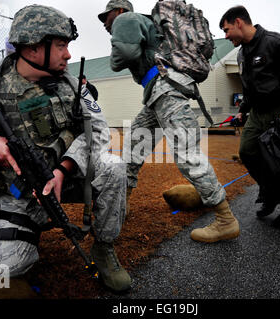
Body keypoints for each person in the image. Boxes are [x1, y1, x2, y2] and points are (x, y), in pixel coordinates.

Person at [0, 4, 131, 293]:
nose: (68, 54)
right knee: (9, 267)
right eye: (61, 46)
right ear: (32, 49)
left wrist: (62, 170)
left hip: (64, 181)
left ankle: (104, 250)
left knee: (113, 166)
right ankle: (26, 228)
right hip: (16, 191)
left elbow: (99, 130)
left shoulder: (72, 84)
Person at [98, 0, 240, 243]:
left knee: (187, 153)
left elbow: (121, 57)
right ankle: (123, 204)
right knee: (133, 146)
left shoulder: (126, 20)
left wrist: (117, 44)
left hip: (166, 90)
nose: (104, 23)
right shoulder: (146, 24)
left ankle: (225, 219)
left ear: (120, 11)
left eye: (107, 17)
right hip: (157, 94)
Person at [219, 6, 280, 227]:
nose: (226, 36)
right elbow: (249, 87)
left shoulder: (277, 43)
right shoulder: (242, 53)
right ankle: (271, 193)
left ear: (239, 22)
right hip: (257, 112)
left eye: (227, 30)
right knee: (247, 151)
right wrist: (242, 110)